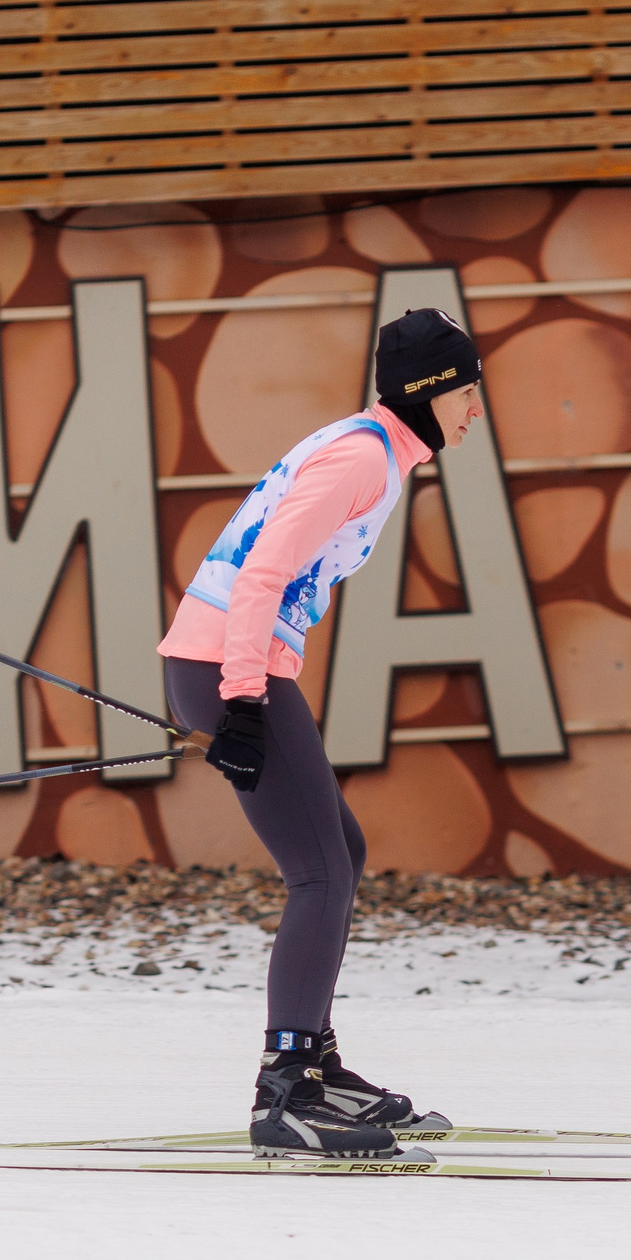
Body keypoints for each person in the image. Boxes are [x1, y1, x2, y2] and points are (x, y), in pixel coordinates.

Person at [157, 309, 487, 1157]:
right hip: (230, 668)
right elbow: (264, 568)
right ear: (427, 389)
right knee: (318, 870)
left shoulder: (373, 450)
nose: (475, 406)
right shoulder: (359, 458)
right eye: (465, 386)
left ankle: (317, 1062)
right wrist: (238, 701)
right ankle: (285, 1090)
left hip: (232, 665)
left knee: (342, 849)